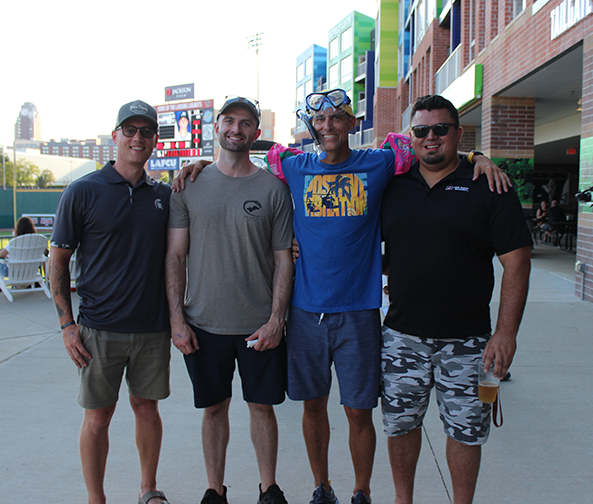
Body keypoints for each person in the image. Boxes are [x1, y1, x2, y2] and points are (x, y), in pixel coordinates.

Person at [176, 89, 509, 504]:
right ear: (310, 127)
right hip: (305, 313)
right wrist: (202, 164)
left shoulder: (382, 161)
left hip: (359, 312)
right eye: (320, 120)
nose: (328, 126)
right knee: (312, 407)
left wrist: (479, 156)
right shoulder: (292, 166)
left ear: (352, 123)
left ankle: (361, 490)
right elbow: (242, 157)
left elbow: (431, 145)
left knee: (358, 412)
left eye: (337, 118)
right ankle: (322, 487)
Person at [380, 94, 531, 504]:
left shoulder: (490, 185)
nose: (431, 138)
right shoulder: (391, 184)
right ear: (410, 137)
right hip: (401, 338)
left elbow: (517, 263)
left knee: (466, 432)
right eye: (421, 131)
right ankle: (402, 500)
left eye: (441, 129)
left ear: (458, 134)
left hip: (470, 343)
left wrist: (506, 333)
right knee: (400, 426)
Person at [165, 96, 294, 504]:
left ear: (257, 133)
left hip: (259, 325)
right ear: (216, 127)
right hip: (204, 324)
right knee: (214, 408)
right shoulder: (190, 184)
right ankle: (213, 490)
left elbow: (283, 260)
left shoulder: (274, 189)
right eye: (229, 121)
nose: (236, 129)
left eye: (245, 123)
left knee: (262, 407)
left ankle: (268, 488)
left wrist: (277, 319)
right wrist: (177, 320)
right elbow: (175, 255)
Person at [49, 100, 172, 504]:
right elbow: (59, 262)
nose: (138, 138)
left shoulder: (164, 196)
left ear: (155, 139)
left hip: (152, 327)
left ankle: (148, 489)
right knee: (98, 418)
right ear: (115, 136)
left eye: (146, 131)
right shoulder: (83, 191)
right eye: (130, 130)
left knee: (146, 408)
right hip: (98, 329)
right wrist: (68, 326)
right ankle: (95, 498)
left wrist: (197, 168)